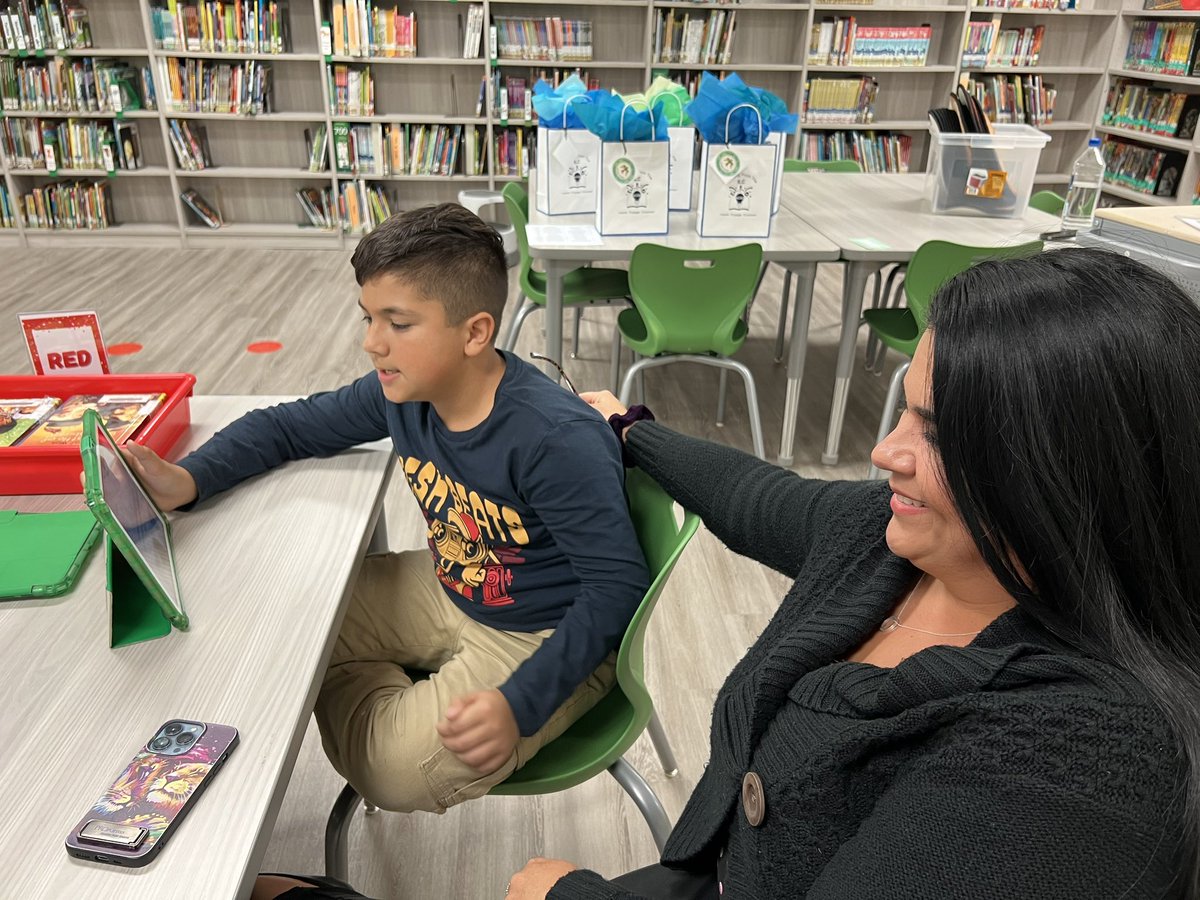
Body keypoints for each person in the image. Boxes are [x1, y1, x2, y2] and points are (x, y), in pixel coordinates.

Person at [505, 248, 1200, 899]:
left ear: (1065, 478)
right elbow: (754, 496)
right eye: (906, 407)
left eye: (940, 432)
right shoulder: (891, 539)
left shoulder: (1078, 762)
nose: (884, 448)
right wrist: (629, 429)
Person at [121, 204, 649, 899]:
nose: (373, 342)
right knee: (284, 628)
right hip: (453, 588)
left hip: (546, 632)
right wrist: (188, 479)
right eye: (368, 317)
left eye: (397, 323)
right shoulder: (408, 392)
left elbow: (616, 587)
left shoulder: (553, 439)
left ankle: (394, 709)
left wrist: (520, 704)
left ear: (475, 333)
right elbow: (291, 425)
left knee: (391, 767)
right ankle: (391, 700)